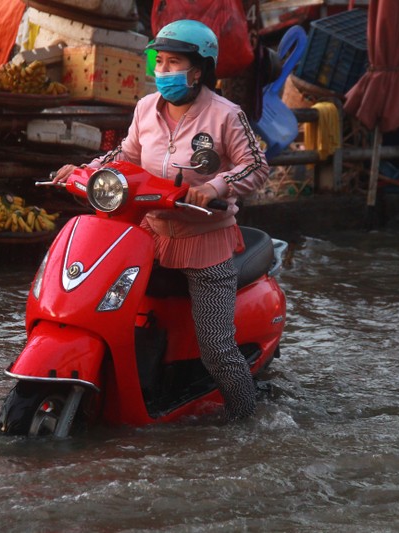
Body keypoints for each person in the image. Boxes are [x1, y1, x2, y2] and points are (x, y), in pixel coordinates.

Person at [53, 19, 270, 421]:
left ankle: (247, 420)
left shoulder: (226, 115)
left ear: (199, 70)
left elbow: (256, 166)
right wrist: (84, 170)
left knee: (217, 350)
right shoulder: (144, 109)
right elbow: (124, 156)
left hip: (205, 242)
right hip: (148, 235)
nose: (164, 71)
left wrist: (218, 186)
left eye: (174, 63)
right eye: (160, 62)